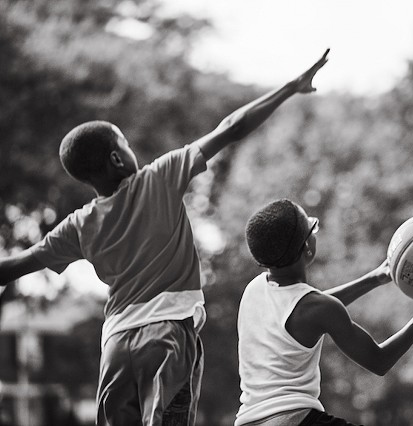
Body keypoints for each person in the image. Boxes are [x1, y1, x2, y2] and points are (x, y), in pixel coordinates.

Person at [0, 49, 329, 426]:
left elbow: (15, 265)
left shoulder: (78, 225)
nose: (130, 148)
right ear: (116, 158)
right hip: (167, 336)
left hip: (116, 345)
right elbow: (231, 127)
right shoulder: (159, 177)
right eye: (124, 143)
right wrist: (289, 87)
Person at [237, 199, 413, 426]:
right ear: (307, 248)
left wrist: (373, 279)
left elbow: (309, 307)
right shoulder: (318, 308)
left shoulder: (254, 290)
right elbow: (379, 361)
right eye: (312, 227)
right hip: (295, 420)